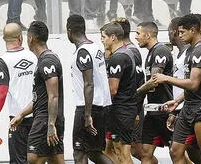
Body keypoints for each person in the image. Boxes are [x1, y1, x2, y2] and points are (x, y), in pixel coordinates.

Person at [152, 14, 201, 164]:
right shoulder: (190, 50)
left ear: (193, 30)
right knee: (175, 151)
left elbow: (193, 84)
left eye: (183, 32)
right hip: (188, 107)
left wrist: (166, 78)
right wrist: (177, 100)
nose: (180, 35)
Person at [9, 21, 65, 164]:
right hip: (49, 119)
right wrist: (21, 114)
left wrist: (50, 124)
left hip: (45, 121)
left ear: (31, 38)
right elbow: (40, 98)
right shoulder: (46, 59)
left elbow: (53, 96)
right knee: (55, 159)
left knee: (33, 159)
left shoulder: (47, 61)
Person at [0, 23, 37, 164]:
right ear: (20, 37)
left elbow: (2, 92)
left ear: (4, 39)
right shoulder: (33, 56)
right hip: (38, 116)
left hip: (17, 120)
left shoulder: (3, 61)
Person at [66, 14, 113, 164]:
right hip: (101, 106)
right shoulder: (95, 48)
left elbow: (89, 83)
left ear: (69, 31)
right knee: (94, 152)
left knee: (79, 153)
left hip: (88, 108)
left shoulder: (83, 52)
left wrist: (87, 115)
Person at [135, 21, 174, 164]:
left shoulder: (161, 50)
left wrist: (135, 93)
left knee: (177, 153)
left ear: (148, 34)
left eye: (138, 33)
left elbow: (154, 80)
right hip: (152, 112)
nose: (136, 37)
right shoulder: (151, 53)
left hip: (165, 112)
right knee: (145, 154)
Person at [101, 22, 137, 164]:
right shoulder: (126, 52)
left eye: (104, 37)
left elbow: (112, 90)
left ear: (113, 37)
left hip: (121, 111)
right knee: (109, 150)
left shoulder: (119, 57)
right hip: (121, 110)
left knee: (122, 154)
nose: (102, 40)